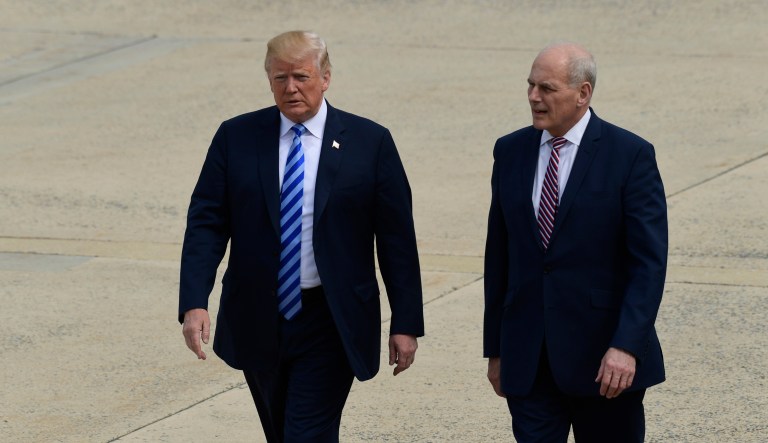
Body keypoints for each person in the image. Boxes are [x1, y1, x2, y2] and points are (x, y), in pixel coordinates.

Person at [179, 30, 424, 442]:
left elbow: (397, 239)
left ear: (325, 77)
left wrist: (406, 321)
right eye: (280, 78)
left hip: (331, 317)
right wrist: (194, 302)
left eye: (302, 77)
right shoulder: (236, 137)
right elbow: (207, 222)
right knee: (282, 431)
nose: (291, 88)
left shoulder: (370, 143)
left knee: (306, 433)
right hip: (258, 314)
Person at [483, 42, 668, 442]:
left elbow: (648, 264)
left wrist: (627, 346)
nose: (534, 97)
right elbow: (498, 255)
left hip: (606, 364)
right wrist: (496, 349)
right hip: (529, 361)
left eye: (546, 88)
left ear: (583, 93)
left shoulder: (630, 155)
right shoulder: (511, 151)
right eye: (530, 86)